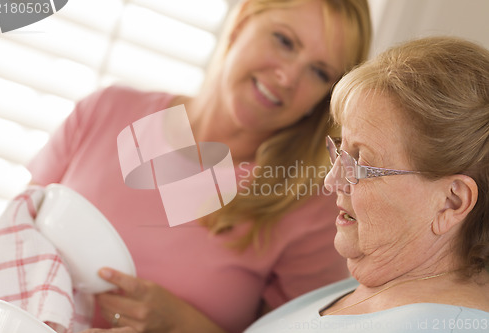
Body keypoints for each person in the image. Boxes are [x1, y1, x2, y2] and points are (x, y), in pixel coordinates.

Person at [27, 0, 372, 332]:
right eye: (284, 41)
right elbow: (9, 238)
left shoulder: (311, 209)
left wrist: (182, 325)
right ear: (242, 22)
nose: (286, 77)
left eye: (318, 71)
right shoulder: (105, 112)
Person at [242, 36, 489, 332]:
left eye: (360, 163)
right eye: (340, 150)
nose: (332, 180)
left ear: (452, 202)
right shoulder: (373, 284)